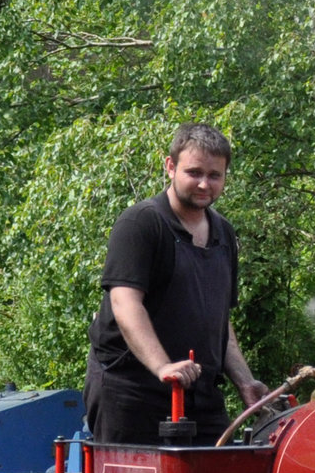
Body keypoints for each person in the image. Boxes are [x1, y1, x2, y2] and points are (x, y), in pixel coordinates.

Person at [85, 123, 270, 444]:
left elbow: (219, 323)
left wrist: (245, 382)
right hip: (132, 393)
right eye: (194, 172)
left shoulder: (223, 233)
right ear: (170, 167)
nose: (204, 184)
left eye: (215, 175)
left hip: (200, 394)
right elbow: (125, 305)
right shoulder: (141, 223)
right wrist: (163, 367)